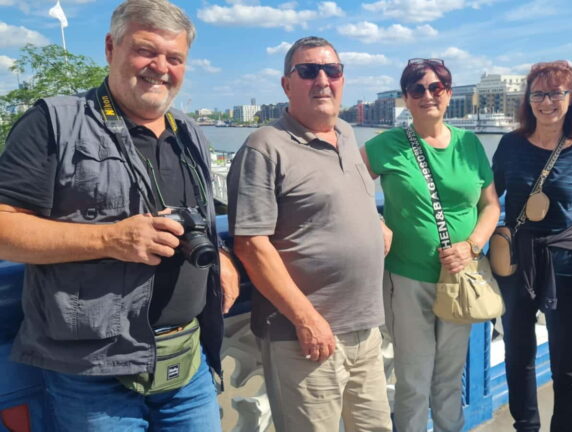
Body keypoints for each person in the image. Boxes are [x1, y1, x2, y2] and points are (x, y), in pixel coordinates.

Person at [0, 0, 239, 430]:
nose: (160, 67)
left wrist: (220, 255)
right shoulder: (53, 122)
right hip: (91, 373)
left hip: (188, 362)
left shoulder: (190, 134)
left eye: (175, 58)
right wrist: (110, 240)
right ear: (111, 48)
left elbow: (197, 216)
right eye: (146, 50)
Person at [227, 36, 392, 432]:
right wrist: (306, 319)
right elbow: (251, 244)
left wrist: (376, 226)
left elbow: (342, 200)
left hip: (366, 330)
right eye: (307, 71)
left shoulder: (349, 135)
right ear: (287, 84)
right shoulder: (265, 146)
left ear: (342, 79)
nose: (322, 79)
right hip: (304, 337)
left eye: (331, 70)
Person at [361, 59, 501, 432]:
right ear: (405, 98)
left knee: (449, 378)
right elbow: (346, 186)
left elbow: (490, 206)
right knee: (413, 380)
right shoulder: (386, 145)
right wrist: (374, 221)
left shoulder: (469, 144)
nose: (427, 95)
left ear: (449, 94)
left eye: (436, 87)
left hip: (461, 278)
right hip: (408, 279)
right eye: (417, 89)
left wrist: (472, 245)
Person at [493, 61, 572, 432]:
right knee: (518, 355)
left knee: (567, 362)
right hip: (518, 260)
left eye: (555, 93)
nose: (546, 102)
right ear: (528, 99)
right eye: (538, 94)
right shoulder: (511, 145)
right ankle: (526, 426)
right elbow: (485, 198)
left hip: (568, 261)